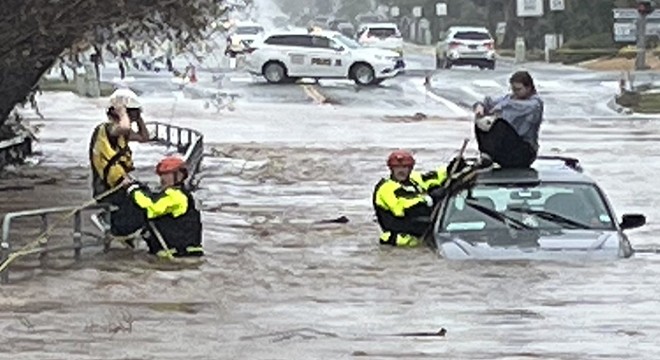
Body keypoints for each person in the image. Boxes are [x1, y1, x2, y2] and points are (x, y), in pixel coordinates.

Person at [372, 150, 474, 247]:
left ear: (410, 168)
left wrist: (451, 169)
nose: (401, 171)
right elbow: (408, 206)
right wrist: (432, 198)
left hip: (421, 241)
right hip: (398, 245)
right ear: (391, 169)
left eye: (405, 167)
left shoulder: (415, 180)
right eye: (397, 167)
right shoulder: (386, 188)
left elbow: (435, 177)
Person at [89, 88, 150, 240]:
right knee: (134, 203)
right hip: (106, 187)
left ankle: (125, 233)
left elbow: (144, 137)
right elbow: (124, 127)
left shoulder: (122, 134)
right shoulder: (108, 128)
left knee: (144, 196)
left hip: (119, 183)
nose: (131, 117)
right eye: (130, 113)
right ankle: (111, 225)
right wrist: (122, 112)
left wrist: (139, 118)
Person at [123, 155, 203, 258]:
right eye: (161, 175)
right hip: (181, 255)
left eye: (166, 175)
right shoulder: (179, 194)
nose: (162, 179)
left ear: (179, 175)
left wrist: (133, 190)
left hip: (178, 256)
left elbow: (151, 209)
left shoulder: (176, 196)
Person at [472, 71, 544, 168]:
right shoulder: (509, 98)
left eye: (518, 89)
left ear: (529, 87)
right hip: (506, 149)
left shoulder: (535, 104)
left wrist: (498, 109)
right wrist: (480, 106)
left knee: (499, 124)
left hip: (524, 151)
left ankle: (489, 155)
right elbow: (489, 102)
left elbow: (512, 107)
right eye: (513, 89)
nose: (515, 92)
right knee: (481, 122)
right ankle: (486, 155)